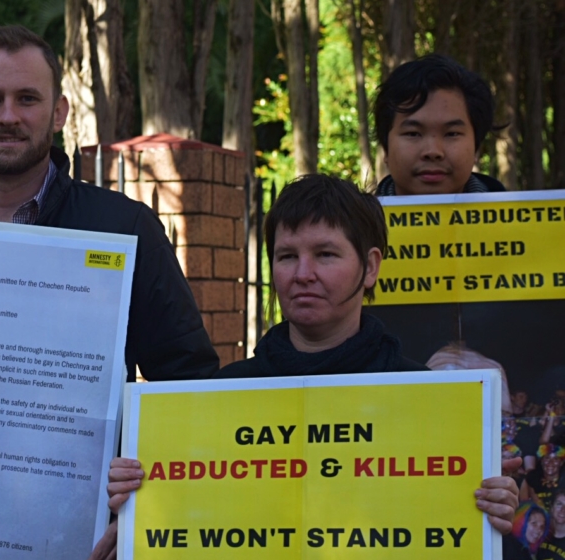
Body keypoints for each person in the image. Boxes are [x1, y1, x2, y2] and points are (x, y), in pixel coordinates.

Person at [0, 24, 219, 560]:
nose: (8, 116)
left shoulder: (123, 229)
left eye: (27, 99)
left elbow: (189, 388)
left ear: (59, 111)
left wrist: (141, 516)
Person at [108, 176, 520, 532]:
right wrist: (140, 491)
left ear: (371, 267)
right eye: (287, 256)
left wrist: (491, 508)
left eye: (325, 254)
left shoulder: (432, 400)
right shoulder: (219, 398)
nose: (303, 274)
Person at [372, 54, 505, 196]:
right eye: (413, 133)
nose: (433, 152)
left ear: (476, 148)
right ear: (386, 148)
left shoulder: (520, 217)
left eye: (452, 134)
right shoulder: (360, 218)